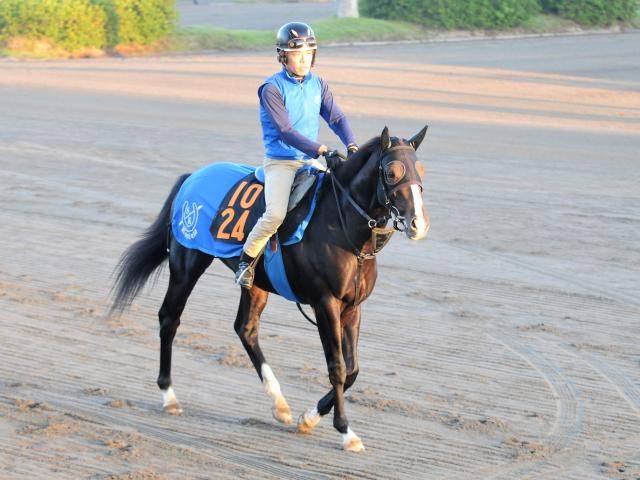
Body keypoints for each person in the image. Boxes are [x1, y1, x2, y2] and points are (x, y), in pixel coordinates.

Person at [234, 21, 359, 289]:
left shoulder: (318, 84)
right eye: (296, 54)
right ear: (283, 56)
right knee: (276, 214)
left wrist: (351, 145)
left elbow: (336, 117)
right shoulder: (271, 89)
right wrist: (320, 149)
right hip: (282, 163)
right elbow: (286, 130)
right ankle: (246, 261)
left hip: (310, 161)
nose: (304, 60)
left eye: (308, 54)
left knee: (343, 195)